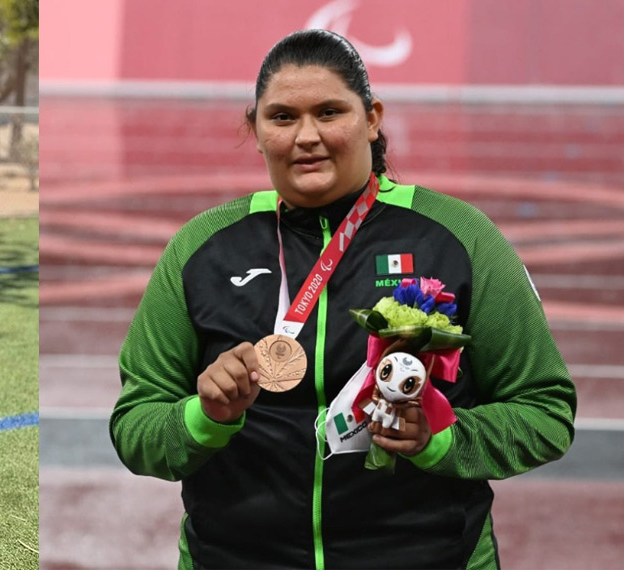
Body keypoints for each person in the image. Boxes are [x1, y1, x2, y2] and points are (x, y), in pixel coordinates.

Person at [111, 29, 576, 569]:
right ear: (255, 130)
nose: (306, 135)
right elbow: (135, 426)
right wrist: (206, 416)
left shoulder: (458, 237)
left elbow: (545, 412)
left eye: (330, 112)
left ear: (373, 118)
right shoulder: (202, 248)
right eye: (282, 117)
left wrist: (440, 437)